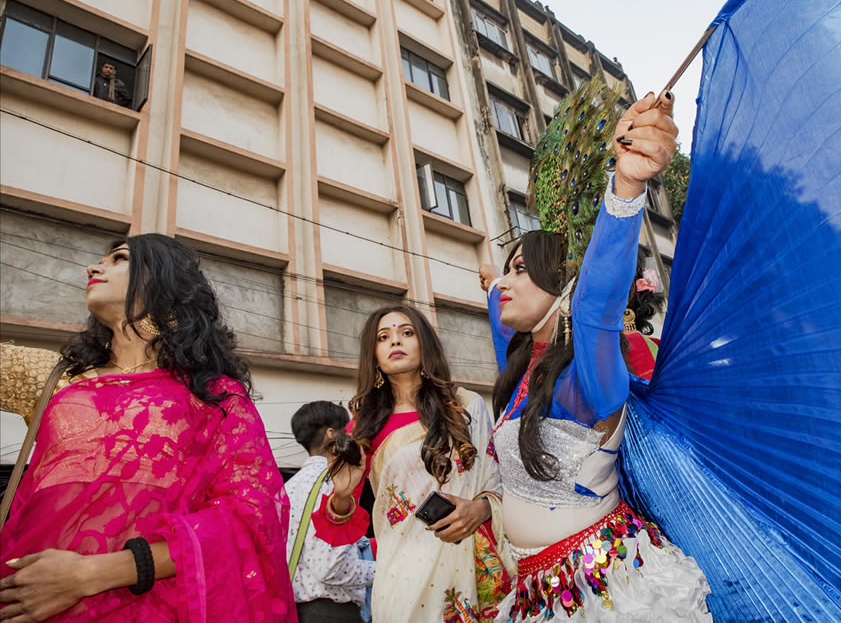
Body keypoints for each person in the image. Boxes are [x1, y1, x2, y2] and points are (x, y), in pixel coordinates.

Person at [482, 89, 712, 621]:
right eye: (507, 270)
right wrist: (497, 286)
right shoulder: (516, 375)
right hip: (534, 595)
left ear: (561, 290)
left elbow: (593, 306)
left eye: (521, 271)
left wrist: (627, 186)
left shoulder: (590, 377)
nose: (505, 284)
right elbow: (499, 313)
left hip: (604, 592)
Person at [0, 234, 295, 621]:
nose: (94, 267)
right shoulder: (58, 380)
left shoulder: (211, 396)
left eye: (118, 259)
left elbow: (249, 515)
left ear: (163, 279)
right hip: (25, 600)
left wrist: (90, 574)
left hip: (148, 607)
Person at [324, 305, 512, 622]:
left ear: (424, 343)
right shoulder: (362, 429)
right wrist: (342, 495)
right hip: (399, 581)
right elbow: (339, 532)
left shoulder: (466, 407)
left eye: (406, 333)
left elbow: (498, 482)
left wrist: (480, 510)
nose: (395, 341)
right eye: (384, 337)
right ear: (374, 354)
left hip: (467, 569)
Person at [286, 401, 375, 622]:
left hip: (296, 611)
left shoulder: (287, 488)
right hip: (332, 613)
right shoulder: (334, 483)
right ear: (331, 434)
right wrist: (390, 570)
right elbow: (332, 569)